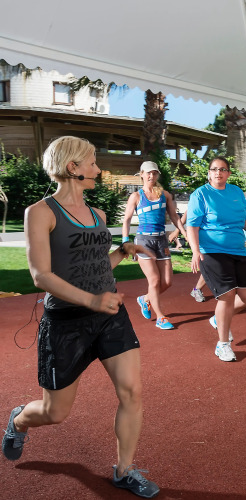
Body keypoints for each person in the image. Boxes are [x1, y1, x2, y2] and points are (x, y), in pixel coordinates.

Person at [2, 136, 159, 497]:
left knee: (132, 391)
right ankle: (19, 420)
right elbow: (41, 276)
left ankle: (124, 470)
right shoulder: (40, 212)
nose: (98, 170)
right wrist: (92, 300)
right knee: (55, 413)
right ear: (73, 168)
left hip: (108, 316)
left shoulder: (98, 215)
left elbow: (94, 266)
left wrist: (121, 252)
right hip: (66, 322)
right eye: (92, 162)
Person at [185, 157, 246, 362]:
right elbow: (192, 226)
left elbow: (245, 220)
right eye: (214, 169)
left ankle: (218, 318)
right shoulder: (200, 194)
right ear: (209, 173)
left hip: (238, 250)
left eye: (223, 169)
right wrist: (195, 251)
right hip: (212, 251)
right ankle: (223, 344)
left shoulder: (236, 192)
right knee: (227, 295)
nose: (218, 172)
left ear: (228, 173)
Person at [122, 161, 186, 330]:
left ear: (157, 175)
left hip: (161, 241)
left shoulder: (165, 195)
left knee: (167, 282)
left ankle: (145, 299)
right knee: (155, 280)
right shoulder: (136, 197)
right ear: (142, 174)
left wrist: (184, 232)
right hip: (144, 241)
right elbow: (127, 220)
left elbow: (174, 217)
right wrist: (125, 241)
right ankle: (160, 317)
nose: (151, 176)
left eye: (154, 173)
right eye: (148, 173)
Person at [169, 210, 210, 302]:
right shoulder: (200, 201)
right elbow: (187, 213)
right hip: (203, 238)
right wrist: (177, 231)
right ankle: (197, 289)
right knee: (210, 265)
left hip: (221, 238)